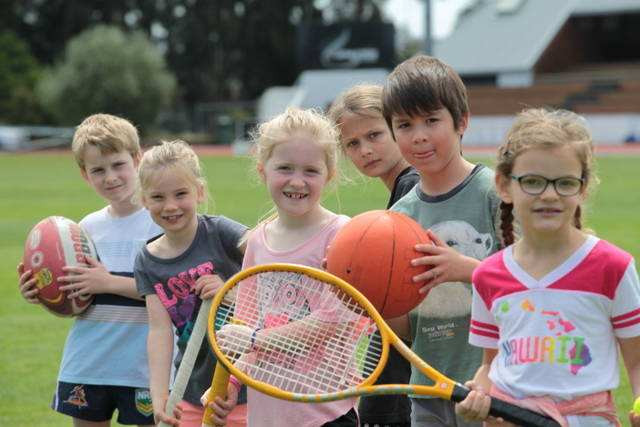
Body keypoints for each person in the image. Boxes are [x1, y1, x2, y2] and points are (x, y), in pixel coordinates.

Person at [455, 108, 640, 427]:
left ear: (582, 188)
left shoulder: (613, 267)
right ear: (504, 185)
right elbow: (491, 364)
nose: (549, 194)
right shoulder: (488, 274)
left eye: (565, 183)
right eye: (533, 182)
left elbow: (636, 361)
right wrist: (479, 394)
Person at [203, 107, 358, 427]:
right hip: (268, 415)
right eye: (285, 168)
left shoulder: (342, 235)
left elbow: (334, 318)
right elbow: (245, 321)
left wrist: (254, 339)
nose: (297, 181)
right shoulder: (257, 242)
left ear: (329, 175)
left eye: (311, 171)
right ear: (263, 170)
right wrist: (232, 384)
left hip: (326, 414)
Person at [17, 114, 162, 427]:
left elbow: (170, 291)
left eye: (118, 165)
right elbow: (77, 297)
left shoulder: (160, 222)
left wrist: (108, 282)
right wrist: (43, 290)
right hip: (89, 362)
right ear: (85, 175)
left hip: (145, 365)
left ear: (137, 160)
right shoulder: (82, 231)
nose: (110, 177)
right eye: (98, 170)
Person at [382, 54, 503, 427]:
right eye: (404, 124)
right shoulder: (398, 218)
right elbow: (404, 328)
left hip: (493, 386)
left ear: (461, 121)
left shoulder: (496, 193)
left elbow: (531, 286)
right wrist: (372, 292)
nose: (418, 135)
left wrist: (466, 269)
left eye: (431, 120)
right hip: (429, 389)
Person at [133, 140, 248, 426]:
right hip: (190, 390)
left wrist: (229, 291)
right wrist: (160, 395)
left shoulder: (221, 232)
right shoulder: (147, 261)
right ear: (144, 199)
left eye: (180, 194)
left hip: (246, 387)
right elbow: (159, 331)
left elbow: (273, 266)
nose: (170, 206)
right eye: (158, 197)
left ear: (199, 192)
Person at [329, 84, 419, 427]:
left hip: (406, 364)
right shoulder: (404, 189)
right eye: (353, 143)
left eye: (374, 134)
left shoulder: (412, 187)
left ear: (397, 126)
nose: (365, 149)